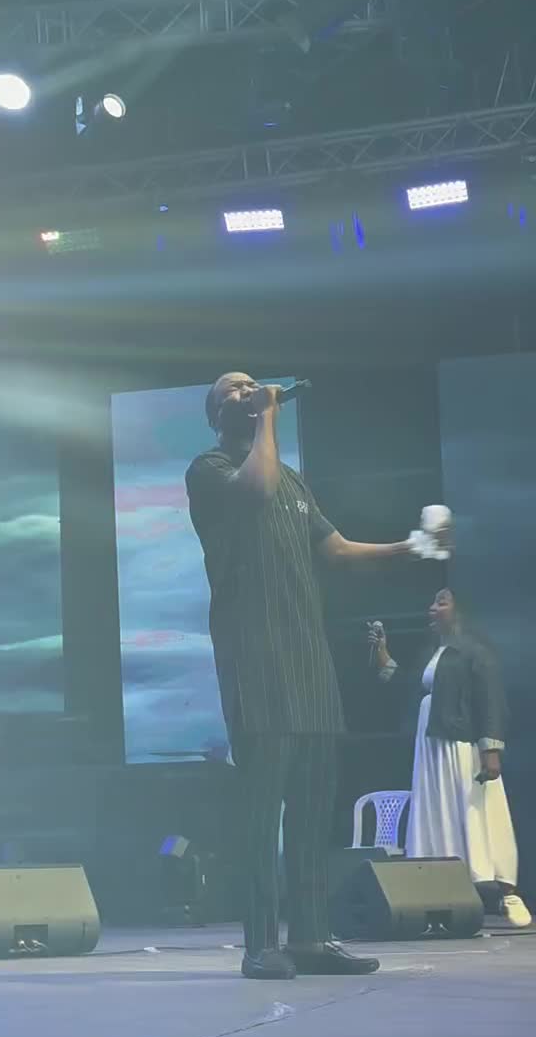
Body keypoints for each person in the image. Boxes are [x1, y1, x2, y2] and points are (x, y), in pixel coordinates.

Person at [185, 373, 437, 979]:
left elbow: (337, 548)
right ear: (218, 413)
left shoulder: (293, 479)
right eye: (235, 389)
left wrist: (411, 547)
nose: (250, 390)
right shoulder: (211, 469)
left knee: (313, 804)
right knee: (262, 809)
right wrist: (269, 414)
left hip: (308, 656)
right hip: (255, 655)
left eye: (254, 385)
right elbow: (255, 490)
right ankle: (260, 944)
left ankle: (311, 938)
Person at [371, 588, 531, 927]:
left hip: (460, 745)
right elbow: (407, 685)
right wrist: (382, 651)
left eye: (441, 602)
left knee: (474, 810)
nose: (432, 608)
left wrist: (490, 750)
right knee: (438, 811)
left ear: (461, 610)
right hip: (431, 746)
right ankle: (442, 885)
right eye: (432, 602)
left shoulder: (474, 651)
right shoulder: (434, 652)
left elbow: (491, 701)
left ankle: (505, 891)